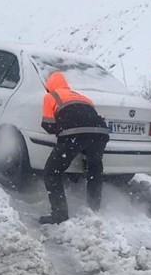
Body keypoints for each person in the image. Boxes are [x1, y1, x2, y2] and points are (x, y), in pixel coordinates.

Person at [39, 71, 110, 224]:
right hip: (100, 134)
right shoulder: (83, 97)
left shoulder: (50, 96)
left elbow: (48, 125)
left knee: (52, 172)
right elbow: (88, 119)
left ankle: (60, 215)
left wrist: (62, 129)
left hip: (74, 134)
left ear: (49, 86)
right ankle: (94, 209)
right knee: (94, 170)